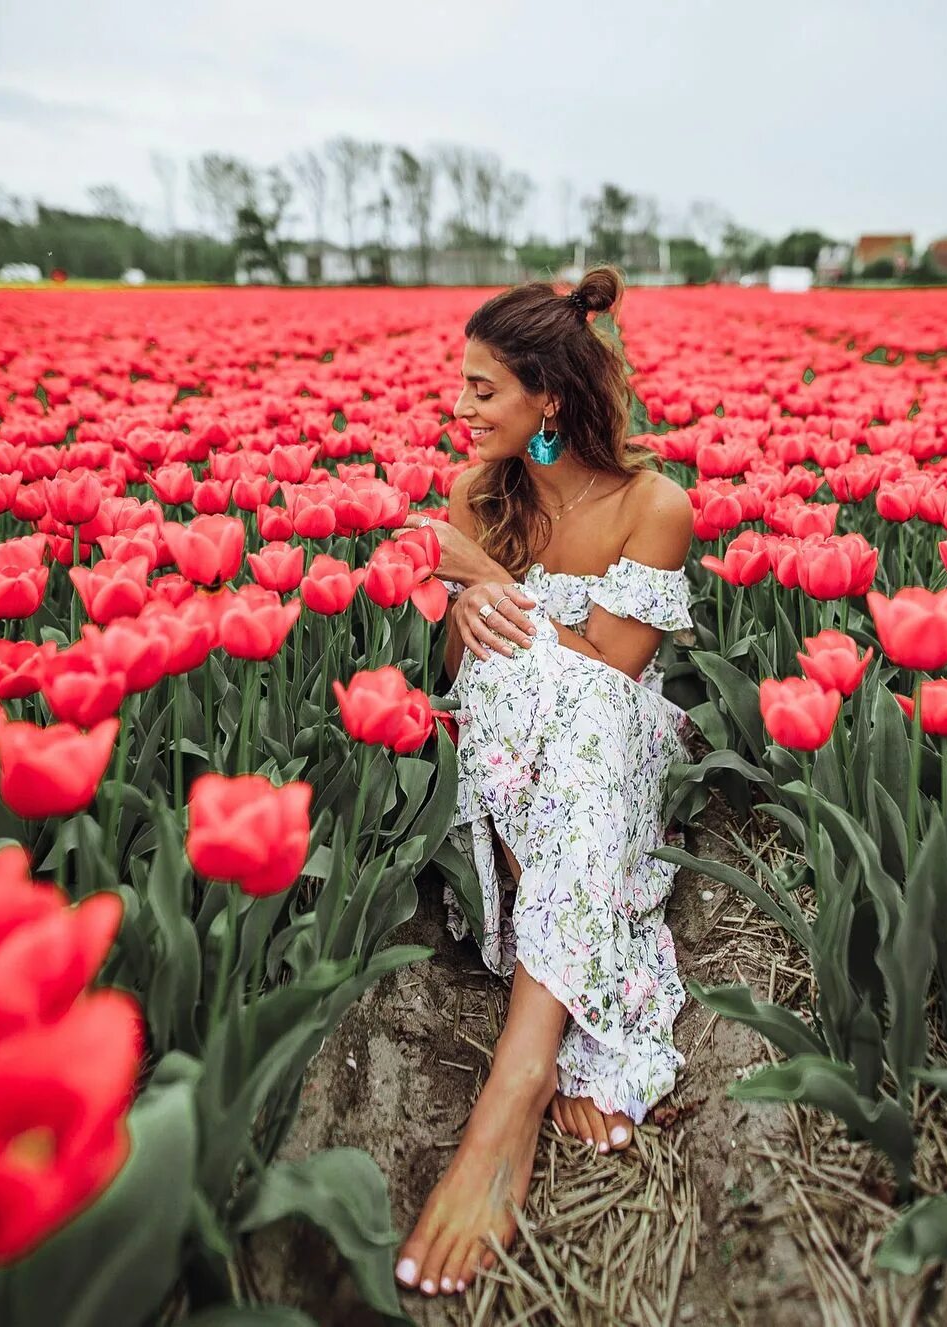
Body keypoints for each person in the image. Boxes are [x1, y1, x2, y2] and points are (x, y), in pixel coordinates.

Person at [392, 265, 695, 1298]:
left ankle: (513, 1085)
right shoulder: (472, 498)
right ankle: (554, 1042)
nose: (461, 406)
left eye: (483, 387)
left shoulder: (657, 507)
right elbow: (455, 680)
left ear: (549, 397)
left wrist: (486, 587)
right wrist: (466, 622)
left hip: (613, 753)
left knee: (567, 695)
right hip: (515, 761)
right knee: (511, 675)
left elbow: (610, 679)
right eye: (462, 385)